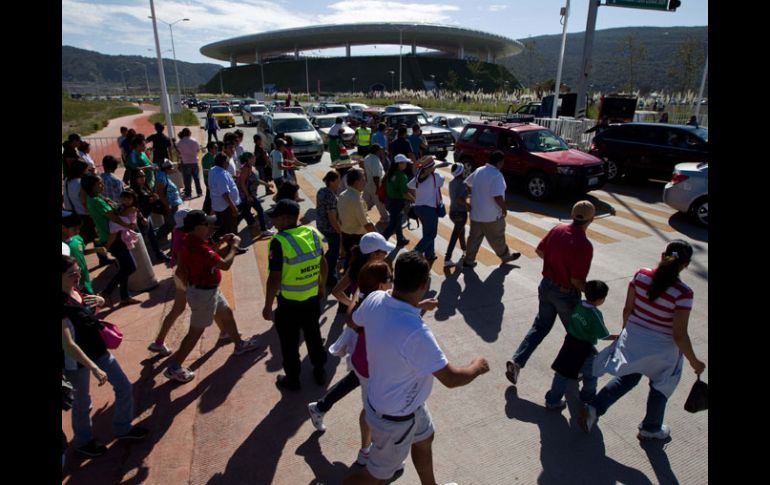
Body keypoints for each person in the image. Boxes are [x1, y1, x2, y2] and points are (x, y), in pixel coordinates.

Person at [342, 251, 489, 485]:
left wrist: (353, 299)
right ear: (424, 284)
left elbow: (352, 320)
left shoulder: (374, 299)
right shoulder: (417, 333)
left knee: (424, 439)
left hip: (402, 403)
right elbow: (451, 379)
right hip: (395, 418)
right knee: (374, 478)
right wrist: (477, 366)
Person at [581, 240, 706, 440]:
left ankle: (594, 408)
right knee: (661, 386)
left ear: (663, 254)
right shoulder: (683, 293)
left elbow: (627, 309)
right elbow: (679, 334)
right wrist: (695, 362)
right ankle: (651, 428)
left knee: (627, 377)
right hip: (662, 351)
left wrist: (626, 334)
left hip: (634, 338)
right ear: (686, 265)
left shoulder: (641, 275)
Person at [309, 260, 405, 467]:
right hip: (371, 368)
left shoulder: (366, 301)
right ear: (380, 285)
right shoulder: (377, 306)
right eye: (390, 279)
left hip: (363, 363)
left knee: (365, 397)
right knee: (373, 412)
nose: (392, 282)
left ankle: (320, 406)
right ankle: (367, 452)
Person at [62, 255, 149, 457]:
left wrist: (100, 300)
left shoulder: (76, 290)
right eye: (71, 273)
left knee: (124, 386)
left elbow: (87, 313)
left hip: (98, 349)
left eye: (78, 271)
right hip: (77, 361)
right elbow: (68, 344)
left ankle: (122, 427)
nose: (78, 275)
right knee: (83, 403)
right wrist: (93, 367)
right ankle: (84, 442)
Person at [164, 210, 262, 383]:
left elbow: (208, 254)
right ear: (197, 227)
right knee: (195, 332)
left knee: (226, 314)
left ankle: (239, 344)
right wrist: (234, 246)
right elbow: (224, 265)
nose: (210, 226)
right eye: (207, 224)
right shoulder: (198, 247)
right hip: (203, 294)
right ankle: (175, 367)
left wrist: (220, 242)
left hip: (208, 289)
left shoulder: (190, 240)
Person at [506, 200, 596, 386]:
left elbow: (539, 250)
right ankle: (579, 371)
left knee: (540, 326)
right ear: (592, 219)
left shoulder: (558, 229)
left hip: (546, 286)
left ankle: (517, 363)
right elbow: (576, 281)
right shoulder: (584, 245)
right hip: (566, 294)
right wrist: (592, 294)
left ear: (572, 215)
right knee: (577, 334)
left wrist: (555, 262)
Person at [262, 199, 329, 391]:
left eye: (275, 217)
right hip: (311, 297)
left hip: (289, 303)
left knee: (289, 342)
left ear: (285, 219)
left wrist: (267, 306)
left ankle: (293, 379)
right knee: (313, 333)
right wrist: (321, 285)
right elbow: (322, 262)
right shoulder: (312, 233)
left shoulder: (279, 241)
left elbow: (274, 279)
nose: (272, 221)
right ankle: (319, 369)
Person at [546, 280, 615, 410]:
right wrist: (619, 336)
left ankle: (552, 400)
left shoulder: (578, 305)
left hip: (570, 343)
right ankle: (587, 398)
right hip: (585, 348)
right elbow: (603, 335)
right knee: (591, 374)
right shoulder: (595, 314)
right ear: (600, 299)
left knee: (562, 374)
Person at [81, 173, 139, 307]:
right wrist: (128, 225)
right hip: (113, 238)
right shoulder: (96, 200)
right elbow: (114, 217)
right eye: (99, 184)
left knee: (124, 267)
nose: (102, 185)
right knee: (130, 267)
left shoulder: (94, 198)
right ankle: (106, 292)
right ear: (91, 186)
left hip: (113, 236)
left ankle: (124, 297)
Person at [462, 150, 520, 268]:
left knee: (473, 239)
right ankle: (506, 257)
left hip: (476, 214)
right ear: (499, 162)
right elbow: (497, 196)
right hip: (491, 216)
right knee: (497, 239)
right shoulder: (497, 175)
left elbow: (467, 183)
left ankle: (468, 261)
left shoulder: (479, 170)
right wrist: (504, 208)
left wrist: (473, 198)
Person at [148, 208, 191, 356]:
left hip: (180, 276)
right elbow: (182, 260)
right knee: (210, 303)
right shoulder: (185, 237)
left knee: (178, 309)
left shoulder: (177, 231)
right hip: (187, 277)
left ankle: (159, 342)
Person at [407, 157, 445, 264]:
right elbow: (442, 181)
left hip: (418, 208)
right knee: (431, 234)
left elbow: (409, 186)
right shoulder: (436, 177)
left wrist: (416, 198)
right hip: (430, 210)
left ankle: (430, 254)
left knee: (427, 232)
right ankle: (414, 253)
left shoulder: (417, 178)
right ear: (432, 168)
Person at [128, 169, 170, 263]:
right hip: (140, 218)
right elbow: (135, 206)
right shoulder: (133, 191)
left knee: (152, 237)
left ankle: (159, 255)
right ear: (134, 178)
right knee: (141, 239)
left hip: (147, 216)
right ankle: (139, 259)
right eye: (139, 176)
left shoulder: (145, 187)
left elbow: (150, 200)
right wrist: (142, 216)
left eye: (143, 176)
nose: (142, 178)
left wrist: (155, 199)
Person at [209, 153, 247, 254]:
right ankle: (233, 249)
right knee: (232, 228)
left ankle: (213, 239)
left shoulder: (213, 170)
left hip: (219, 206)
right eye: (227, 162)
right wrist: (233, 207)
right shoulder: (221, 174)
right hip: (226, 207)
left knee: (225, 227)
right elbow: (224, 194)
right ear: (224, 163)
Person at [338, 168, 377, 267]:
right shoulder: (356, 199)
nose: (365, 182)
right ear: (356, 182)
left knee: (350, 261)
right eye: (363, 179)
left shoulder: (342, 195)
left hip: (346, 235)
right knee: (359, 265)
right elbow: (366, 224)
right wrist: (377, 238)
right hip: (357, 238)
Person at [62, 211, 105, 295]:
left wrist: (95, 250)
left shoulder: (77, 238)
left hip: (85, 278)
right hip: (73, 284)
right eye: (74, 229)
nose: (78, 231)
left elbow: (81, 251)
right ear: (63, 227)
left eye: (79, 228)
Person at [236, 151, 274, 237]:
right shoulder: (246, 168)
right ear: (248, 159)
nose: (255, 159)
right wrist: (248, 195)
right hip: (248, 195)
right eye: (253, 158)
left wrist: (267, 184)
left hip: (249, 194)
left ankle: (229, 228)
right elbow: (242, 183)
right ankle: (264, 230)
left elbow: (257, 180)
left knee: (243, 213)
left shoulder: (250, 167)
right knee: (260, 210)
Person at [316, 170, 343, 289]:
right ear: (332, 182)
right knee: (333, 254)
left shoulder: (321, 191)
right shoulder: (331, 196)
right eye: (338, 180)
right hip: (330, 228)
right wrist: (339, 230)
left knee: (331, 252)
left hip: (321, 225)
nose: (340, 182)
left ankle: (322, 269)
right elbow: (332, 217)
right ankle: (330, 279)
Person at [380, 154, 414, 247]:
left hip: (389, 201)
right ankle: (380, 243)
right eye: (404, 163)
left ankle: (400, 239)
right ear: (399, 164)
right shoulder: (402, 176)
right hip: (397, 203)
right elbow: (404, 193)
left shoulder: (390, 173)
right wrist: (414, 200)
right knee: (393, 225)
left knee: (397, 221)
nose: (406, 164)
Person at [444, 163, 470, 268]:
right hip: (460, 213)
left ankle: (465, 251)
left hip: (452, 212)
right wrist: (468, 206)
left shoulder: (451, 183)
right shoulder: (463, 184)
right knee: (456, 234)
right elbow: (460, 199)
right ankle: (447, 258)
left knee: (460, 231)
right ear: (461, 172)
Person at [154, 159, 184, 242]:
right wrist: (167, 206)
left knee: (170, 224)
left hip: (172, 204)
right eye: (171, 168)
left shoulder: (164, 175)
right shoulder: (161, 177)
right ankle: (158, 237)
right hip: (168, 205)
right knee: (172, 224)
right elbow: (160, 193)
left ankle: (157, 237)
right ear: (166, 169)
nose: (173, 170)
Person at [361, 144, 389, 225]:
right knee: (379, 201)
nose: (381, 151)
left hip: (368, 182)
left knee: (364, 200)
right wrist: (378, 188)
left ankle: (359, 213)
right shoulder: (374, 160)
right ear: (376, 151)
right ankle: (385, 218)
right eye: (380, 149)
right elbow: (376, 176)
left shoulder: (367, 157)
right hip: (375, 184)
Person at [176, 127, 203, 199]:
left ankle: (188, 194)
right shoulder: (194, 141)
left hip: (186, 162)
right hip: (194, 162)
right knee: (196, 178)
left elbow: (178, 153)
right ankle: (199, 192)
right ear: (189, 133)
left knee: (187, 180)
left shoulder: (180, 142)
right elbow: (198, 150)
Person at [201, 141, 218, 215]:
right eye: (215, 148)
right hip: (209, 181)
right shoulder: (207, 158)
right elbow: (205, 172)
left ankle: (205, 212)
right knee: (209, 198)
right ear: (210, 149)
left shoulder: (214, 156)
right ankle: (205, 212)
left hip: (213, 181)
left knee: (209, 197)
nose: (217, 149)